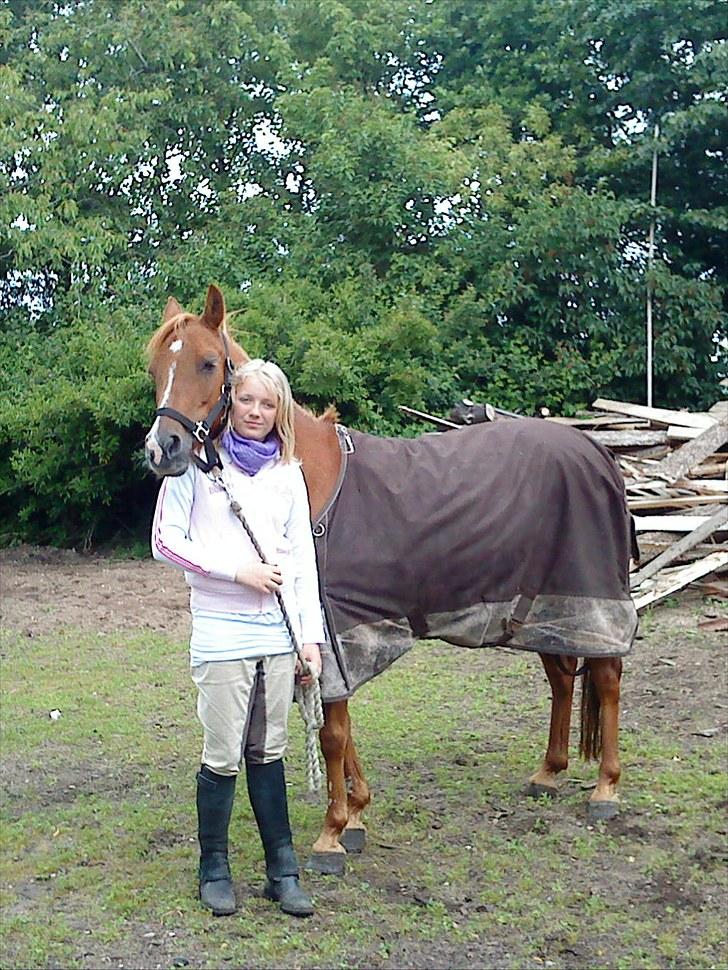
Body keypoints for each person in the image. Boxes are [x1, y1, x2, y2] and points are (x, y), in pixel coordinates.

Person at [151, 358, 324, 918]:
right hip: (221, 635)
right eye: (247, 400)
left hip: (277, 635)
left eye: (268, 404)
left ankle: (283, 870)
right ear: (230, 401)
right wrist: (236, 572)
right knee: (223, 755)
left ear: (280, 413)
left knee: (268, 752)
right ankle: (214, 868)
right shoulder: (196, 468)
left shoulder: (288, 474)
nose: (256, 412)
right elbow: (165, 543)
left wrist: (309, 637)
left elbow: (301, 563)